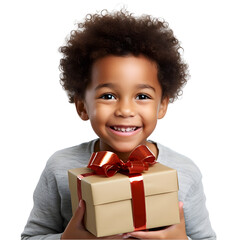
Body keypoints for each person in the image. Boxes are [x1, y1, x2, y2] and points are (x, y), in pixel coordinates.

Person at [21, 9, 216, 239]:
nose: (125, 110)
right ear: (82, 106)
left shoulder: (185, 172)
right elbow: (30, 237)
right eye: (108, 96)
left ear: (162, 105)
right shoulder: (59, 167)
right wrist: (67, 239)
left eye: (142, 96)